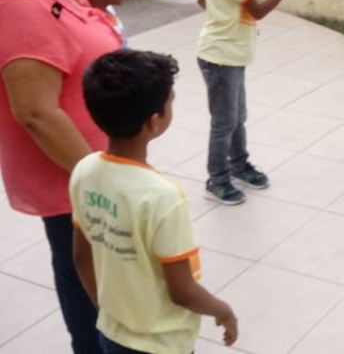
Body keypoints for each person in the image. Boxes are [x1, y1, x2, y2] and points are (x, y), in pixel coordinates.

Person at [0, 0, 118, 354]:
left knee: (98, 274)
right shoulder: (19, 8)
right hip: (74, 178)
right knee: (84, 277)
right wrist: (100, 179)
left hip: (94, 165)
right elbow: (36, 112)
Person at [71, 49, 238, 354]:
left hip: (112, 333)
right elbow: (183, 292)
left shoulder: (84, 170)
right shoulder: (163, 197)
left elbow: (81, 257)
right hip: (162, 345)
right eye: (170, 100)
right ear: (154, 121)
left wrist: (108, 314)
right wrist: (223, 311)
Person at [197, 0, 311, 204]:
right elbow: (258, 11)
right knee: (224, 123)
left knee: (237, 117)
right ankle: (217, 180)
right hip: (220, 57)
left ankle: (239, 165)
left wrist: (224, 18)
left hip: (227, 54)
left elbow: (202, 0)